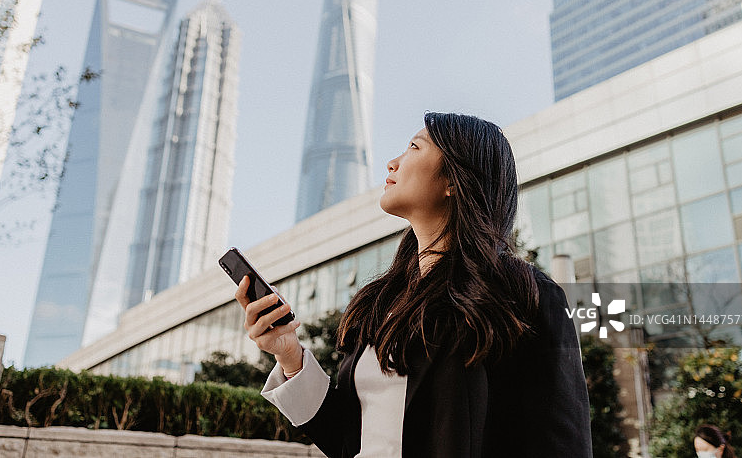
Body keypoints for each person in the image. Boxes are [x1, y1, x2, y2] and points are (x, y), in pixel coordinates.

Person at [236, 112, 593, 457]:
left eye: (414, 147)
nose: (392, 163)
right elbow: (349, 440)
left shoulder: (524, 295)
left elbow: (559, 442)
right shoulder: (379, 302)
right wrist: (289, 355)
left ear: (454, 180)